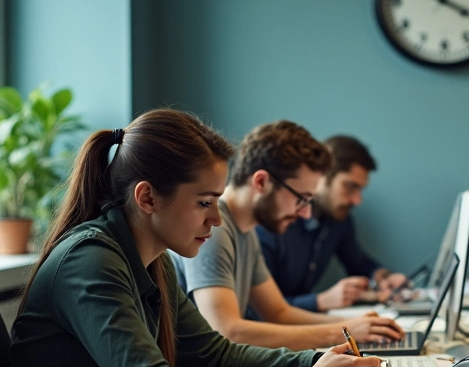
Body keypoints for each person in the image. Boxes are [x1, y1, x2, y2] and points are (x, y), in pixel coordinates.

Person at [9, 110, 382, 367]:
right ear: (147, 198)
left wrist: (316, 362)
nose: (216, 219)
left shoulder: (153, 260)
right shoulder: (90, 261)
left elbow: (215, 354)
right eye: (204, 202)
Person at [173, 121, 404, 351]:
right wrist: (343, 332)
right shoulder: (215, 230)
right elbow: (228, 331)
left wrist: (356, 325)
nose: (305, 212)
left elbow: (279, 312)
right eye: (301, 199)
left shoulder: (246, 231)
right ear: (262, 182)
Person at [259, 135, 409, 312]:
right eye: (350, 186)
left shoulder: (338, 220)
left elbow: (359, 263)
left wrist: (383, 278)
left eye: (360, 189)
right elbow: (258, 310)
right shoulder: (272, 223)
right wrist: (321, 301)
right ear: (322, 176)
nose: (357, 200)